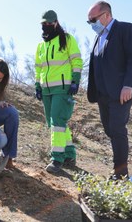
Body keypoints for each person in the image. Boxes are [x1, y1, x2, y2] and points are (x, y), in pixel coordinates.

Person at [86, 1, 132, 180]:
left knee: (117, 128)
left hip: (121, 91)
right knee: (110, 129)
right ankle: (119, 166)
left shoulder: (125, 29)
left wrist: (128, 85)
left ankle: (120, 174)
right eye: (88, 21)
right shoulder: (99, 37)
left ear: (106, 15)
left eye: (93, 19)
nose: (91, 24)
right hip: (103, 94)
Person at [35, 10, 83, 173]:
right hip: (46, 89)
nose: (46, 26)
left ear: (56, 22)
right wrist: (37, 85)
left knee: (57, 122)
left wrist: (75, 80)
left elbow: (76, 59)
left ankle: (57, 159)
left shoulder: (67, 39)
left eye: (49, 23)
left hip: (63, 87)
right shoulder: (41, 46)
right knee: (56, 123)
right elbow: (38, 67)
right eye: (44, 24)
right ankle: (69, 155)